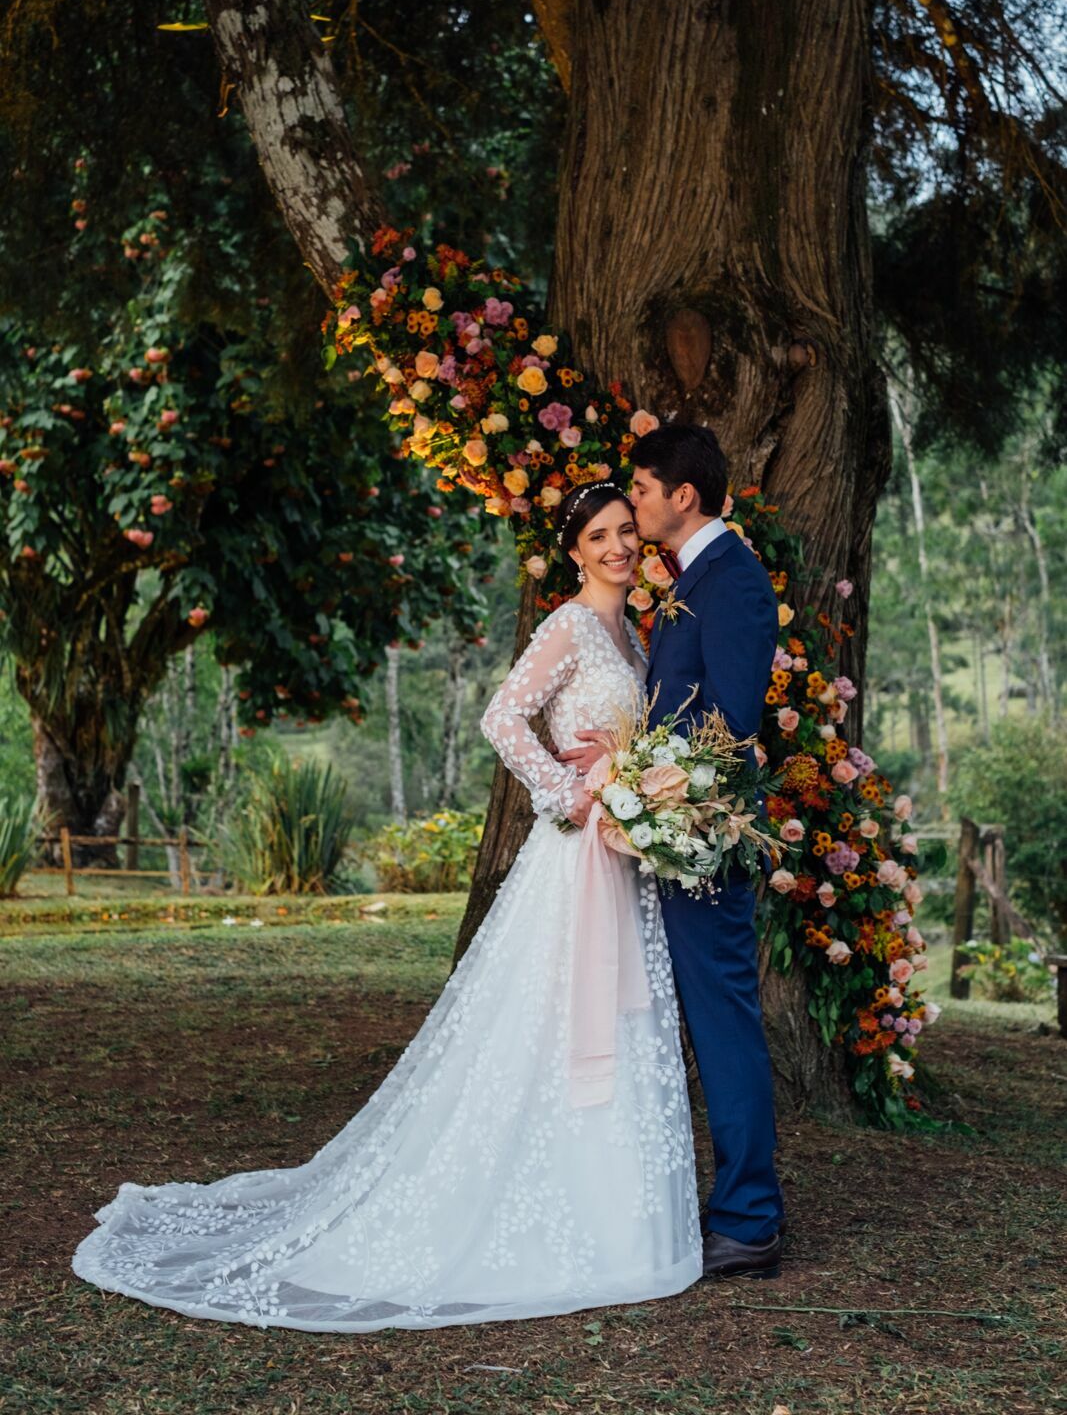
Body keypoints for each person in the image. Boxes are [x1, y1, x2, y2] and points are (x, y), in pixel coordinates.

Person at [70, 481, 702, 1333]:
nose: (620, 546)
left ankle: (616, 1216)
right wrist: (571, 794)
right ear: (574, 550)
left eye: (627, 531)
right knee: (545, 1022)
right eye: (600, 535)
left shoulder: (632, 634)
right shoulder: (568, 626)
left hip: (621, 865)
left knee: (612, 1022)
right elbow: (501, 718)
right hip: (572, 858)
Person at [560, 424, 786, 1280]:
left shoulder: (729, 581)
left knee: (722, 1022)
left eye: (643, 492)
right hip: (672, 834)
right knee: (696, 1019)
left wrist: (645, 781)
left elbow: (731, 720)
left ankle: (749, 1219)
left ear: (680, 496)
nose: (637, 504)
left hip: (704, 840)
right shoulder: (695, 578)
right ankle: (725, 1204)